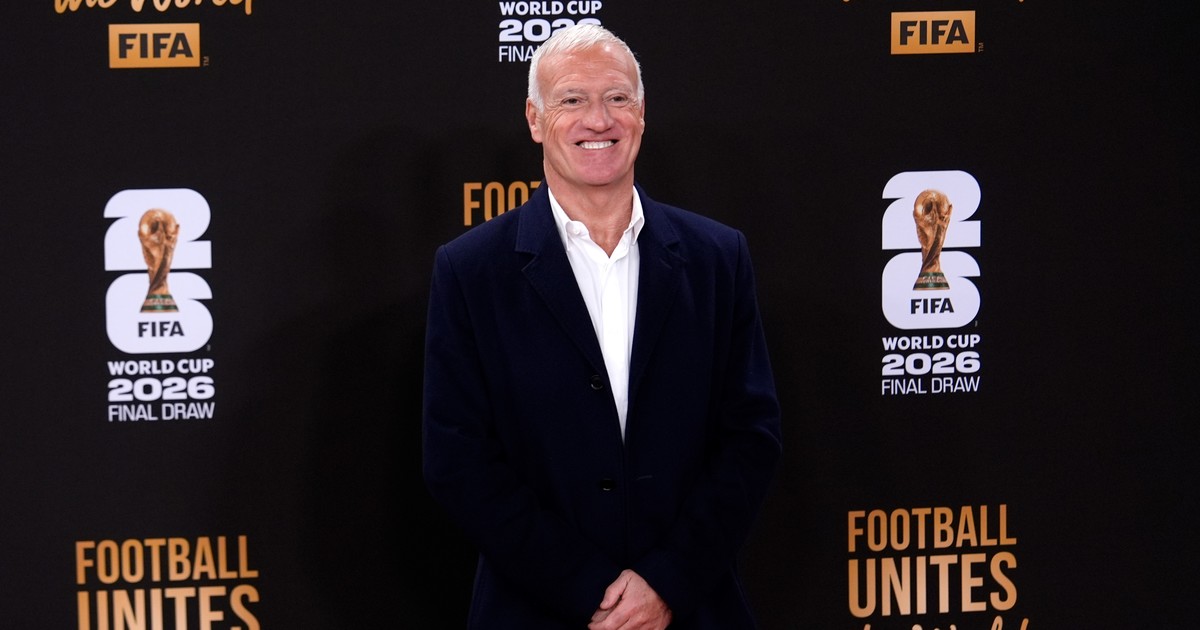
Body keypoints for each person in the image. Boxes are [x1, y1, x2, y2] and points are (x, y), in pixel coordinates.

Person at [422, 23, 782, 629]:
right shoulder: (470, 270)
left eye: (617, 97)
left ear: (641, 114)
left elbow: (751, 437)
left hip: (692, 609)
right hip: (536, 612)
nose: (599, 119)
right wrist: (589, 590)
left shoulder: (718, 257)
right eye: (572, 99)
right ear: (535, 120)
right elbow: (456, 460)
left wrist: (667, 582)